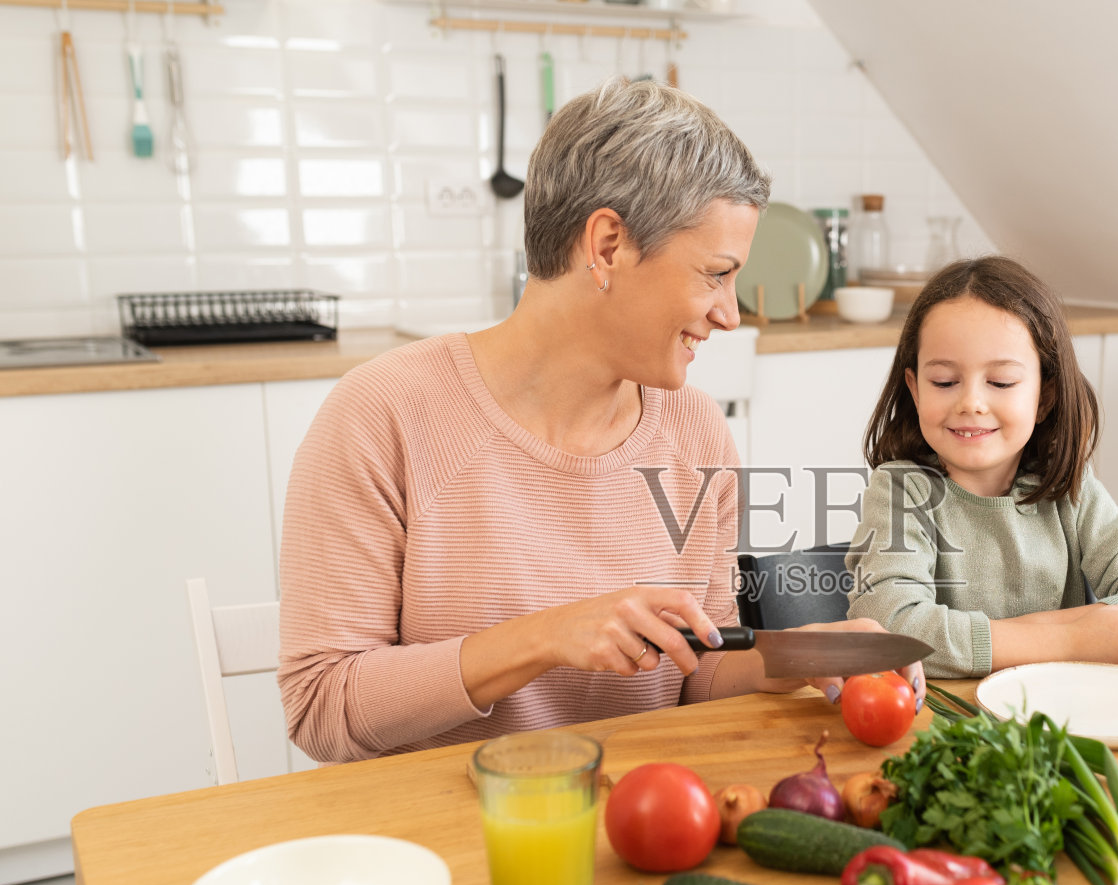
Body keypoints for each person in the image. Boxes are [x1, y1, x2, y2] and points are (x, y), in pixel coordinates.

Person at [279, 78, 921, 763]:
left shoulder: (697, 431)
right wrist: (545, 637)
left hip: (634, 819)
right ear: (609, 245)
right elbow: (322, 706)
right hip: (435, 837)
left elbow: (696, 670)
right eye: (715, 273)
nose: (731, 314)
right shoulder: (384, 416)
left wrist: (792, 654)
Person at [845, 256, 1118, 678]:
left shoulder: (1069, 488)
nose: (971, 402)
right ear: (916, 389)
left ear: (1044, 397)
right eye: (944, 382)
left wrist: (1078, 631)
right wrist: (1073, 638)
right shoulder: (901, 492)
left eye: (1001, 383)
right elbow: (888, 630)